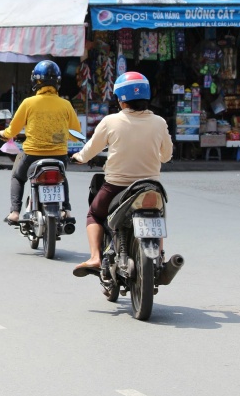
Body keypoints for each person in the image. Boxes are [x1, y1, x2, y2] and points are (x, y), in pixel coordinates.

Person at [71, 72, 173, 276]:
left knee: (94, 214)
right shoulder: (159, 122)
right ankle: (159, 257)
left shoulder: (111, 121)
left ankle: (95, 257)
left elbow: (90, 150)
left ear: (121, 99)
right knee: (157, 216)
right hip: (151, 186)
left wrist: (79, 157)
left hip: (116, 186)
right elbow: (166, 155)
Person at [0, 60, 81, 223]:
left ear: (35, 81)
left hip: (31, 155)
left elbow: (12, 131)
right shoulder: (66, 105)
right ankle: (67, 210)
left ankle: (15, 212)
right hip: (59, 156)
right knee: (62, 177)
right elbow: (76, 134)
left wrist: (4, 133)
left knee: (17, 177)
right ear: (57, 82)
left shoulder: (28, 103)